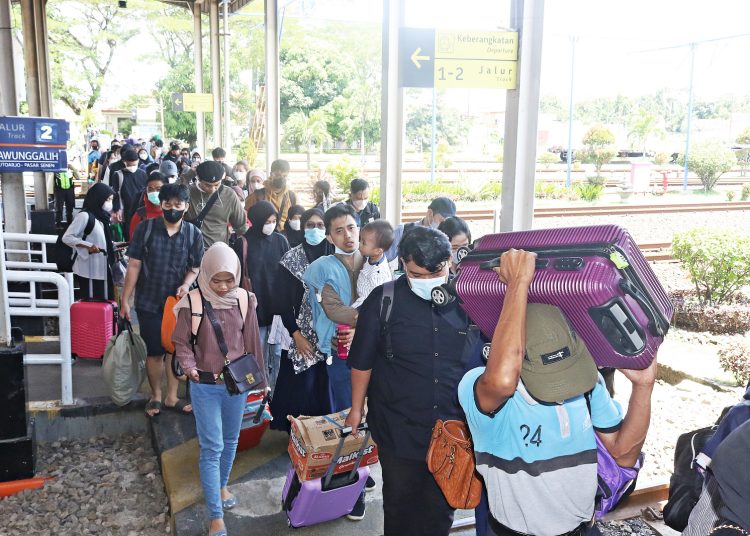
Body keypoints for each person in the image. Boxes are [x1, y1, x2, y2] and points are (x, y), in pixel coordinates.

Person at [457, 249, 656, 536]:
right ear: (518, 365)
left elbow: (623, 455)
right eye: (551, 380)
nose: (565, 388)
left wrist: (644, 386)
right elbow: (502, 379)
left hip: (583, 530)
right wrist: (517, 284)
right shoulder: (481, 390)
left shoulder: (588, 382)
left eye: (568, 373)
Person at [172, 243, 266, 536]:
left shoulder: (245, 300)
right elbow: (181, 343)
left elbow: (252, 344)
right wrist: (188, 367)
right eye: (217, 279)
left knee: (231, 440)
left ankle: (223, 486)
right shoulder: (193, 302)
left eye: (230, 279)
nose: (224, 286)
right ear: (206, 274)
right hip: (205, 386)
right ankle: (216, 517)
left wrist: (260, 383)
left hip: (236, 385)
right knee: (212, 448)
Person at [122, 183, 203, 418]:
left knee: (175, 349)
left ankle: (172, 397)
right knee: (155, 351)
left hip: (179, 305)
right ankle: (156, 395)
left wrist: (186, 283)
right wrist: (125, 300)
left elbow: (195, 268)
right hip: (148, 302)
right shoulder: (146, 229)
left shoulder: (193, 233)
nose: (172, 208)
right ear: (161, 204)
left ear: (186, 207)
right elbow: (134, 265)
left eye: (178, 204)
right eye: (168, 204)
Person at [270, 208, 332, 434]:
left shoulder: (337, 256)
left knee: (327, 387)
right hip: (301, 335)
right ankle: (299, 435)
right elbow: (283, 302)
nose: (315, 229)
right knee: (302, 387)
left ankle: (325, 436)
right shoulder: (291, 259)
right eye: (310, 225)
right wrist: (296, 335)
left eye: (320, 225)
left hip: (333, 336)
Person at [303, 204, 363, 412]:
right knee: (347, 408)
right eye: (339, 231)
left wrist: (365, 328)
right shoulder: (322, 268)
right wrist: (371, 320)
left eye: (351, 227)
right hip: (341, 348)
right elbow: (334, 310)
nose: (347, 235)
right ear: (329, 237)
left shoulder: (372, 262)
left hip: (374, 347)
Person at [233, 201, 290, 390]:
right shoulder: (242, 243)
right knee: (257, 354)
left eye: (274, 220)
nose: (271, 225)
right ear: (256, 220)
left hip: (278, 308)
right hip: (255, 309)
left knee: (279, 355)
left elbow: (289, 271)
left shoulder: (280, 240)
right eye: (267, 221)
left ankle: (278, 392)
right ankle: (261, 394)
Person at [62, 183, 116, 300]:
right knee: (93, 303)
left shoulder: (103, 217)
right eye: (107, 199)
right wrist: (88, 246)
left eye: (111, 200)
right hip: (89, 270)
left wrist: (114, 246)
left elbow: (102, 239)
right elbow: (67, 237)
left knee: (107, 301)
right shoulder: (84, 216)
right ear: (98, 198)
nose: (109, 203)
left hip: (104, 267)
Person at [186, 161, 249, 249]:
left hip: (219, 252)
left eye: (217, 185)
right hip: (192, 251)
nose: (212, 189)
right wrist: (188, 175)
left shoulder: (229, 194)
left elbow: (241, 226)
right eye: (207, 185)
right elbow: (167, 194)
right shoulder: (188, 192)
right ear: (199, 179)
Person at [385, 196, 456, 266]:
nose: (444, 225)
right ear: (430, 213)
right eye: (441, 221)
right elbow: (384, 257)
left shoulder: (449, 235)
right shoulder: (403, 230)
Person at [245, 159, 297, 232]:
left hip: (284, 237)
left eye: (284, 176)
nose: (281, 178)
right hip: (262, 236)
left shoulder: (292, 197)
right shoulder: (257, 196)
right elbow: (246, 218)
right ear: (271, 174)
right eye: (277, 175)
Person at [351, 220, 394, 308]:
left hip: (367, 304)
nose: (360, 244)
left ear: (378, 250)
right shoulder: (374, 256)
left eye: (364, 243)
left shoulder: (378, 275)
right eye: (360, 240)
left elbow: (377, 299)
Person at [110, 148, 148, 240]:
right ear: (124, 162)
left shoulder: (143, 174)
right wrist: (117, 209)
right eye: (129, 165)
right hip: (126, 210)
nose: (132, 167)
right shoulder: (118, 175)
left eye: (134, 164)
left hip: (141, 209)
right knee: (129, 234)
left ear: (138, 161)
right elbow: (115, 193)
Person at [129, 171, 167, 238]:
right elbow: (133, 241)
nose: (154, 193)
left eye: (158, 189)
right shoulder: (140, 215)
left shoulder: (173, 213)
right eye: (150, 189)